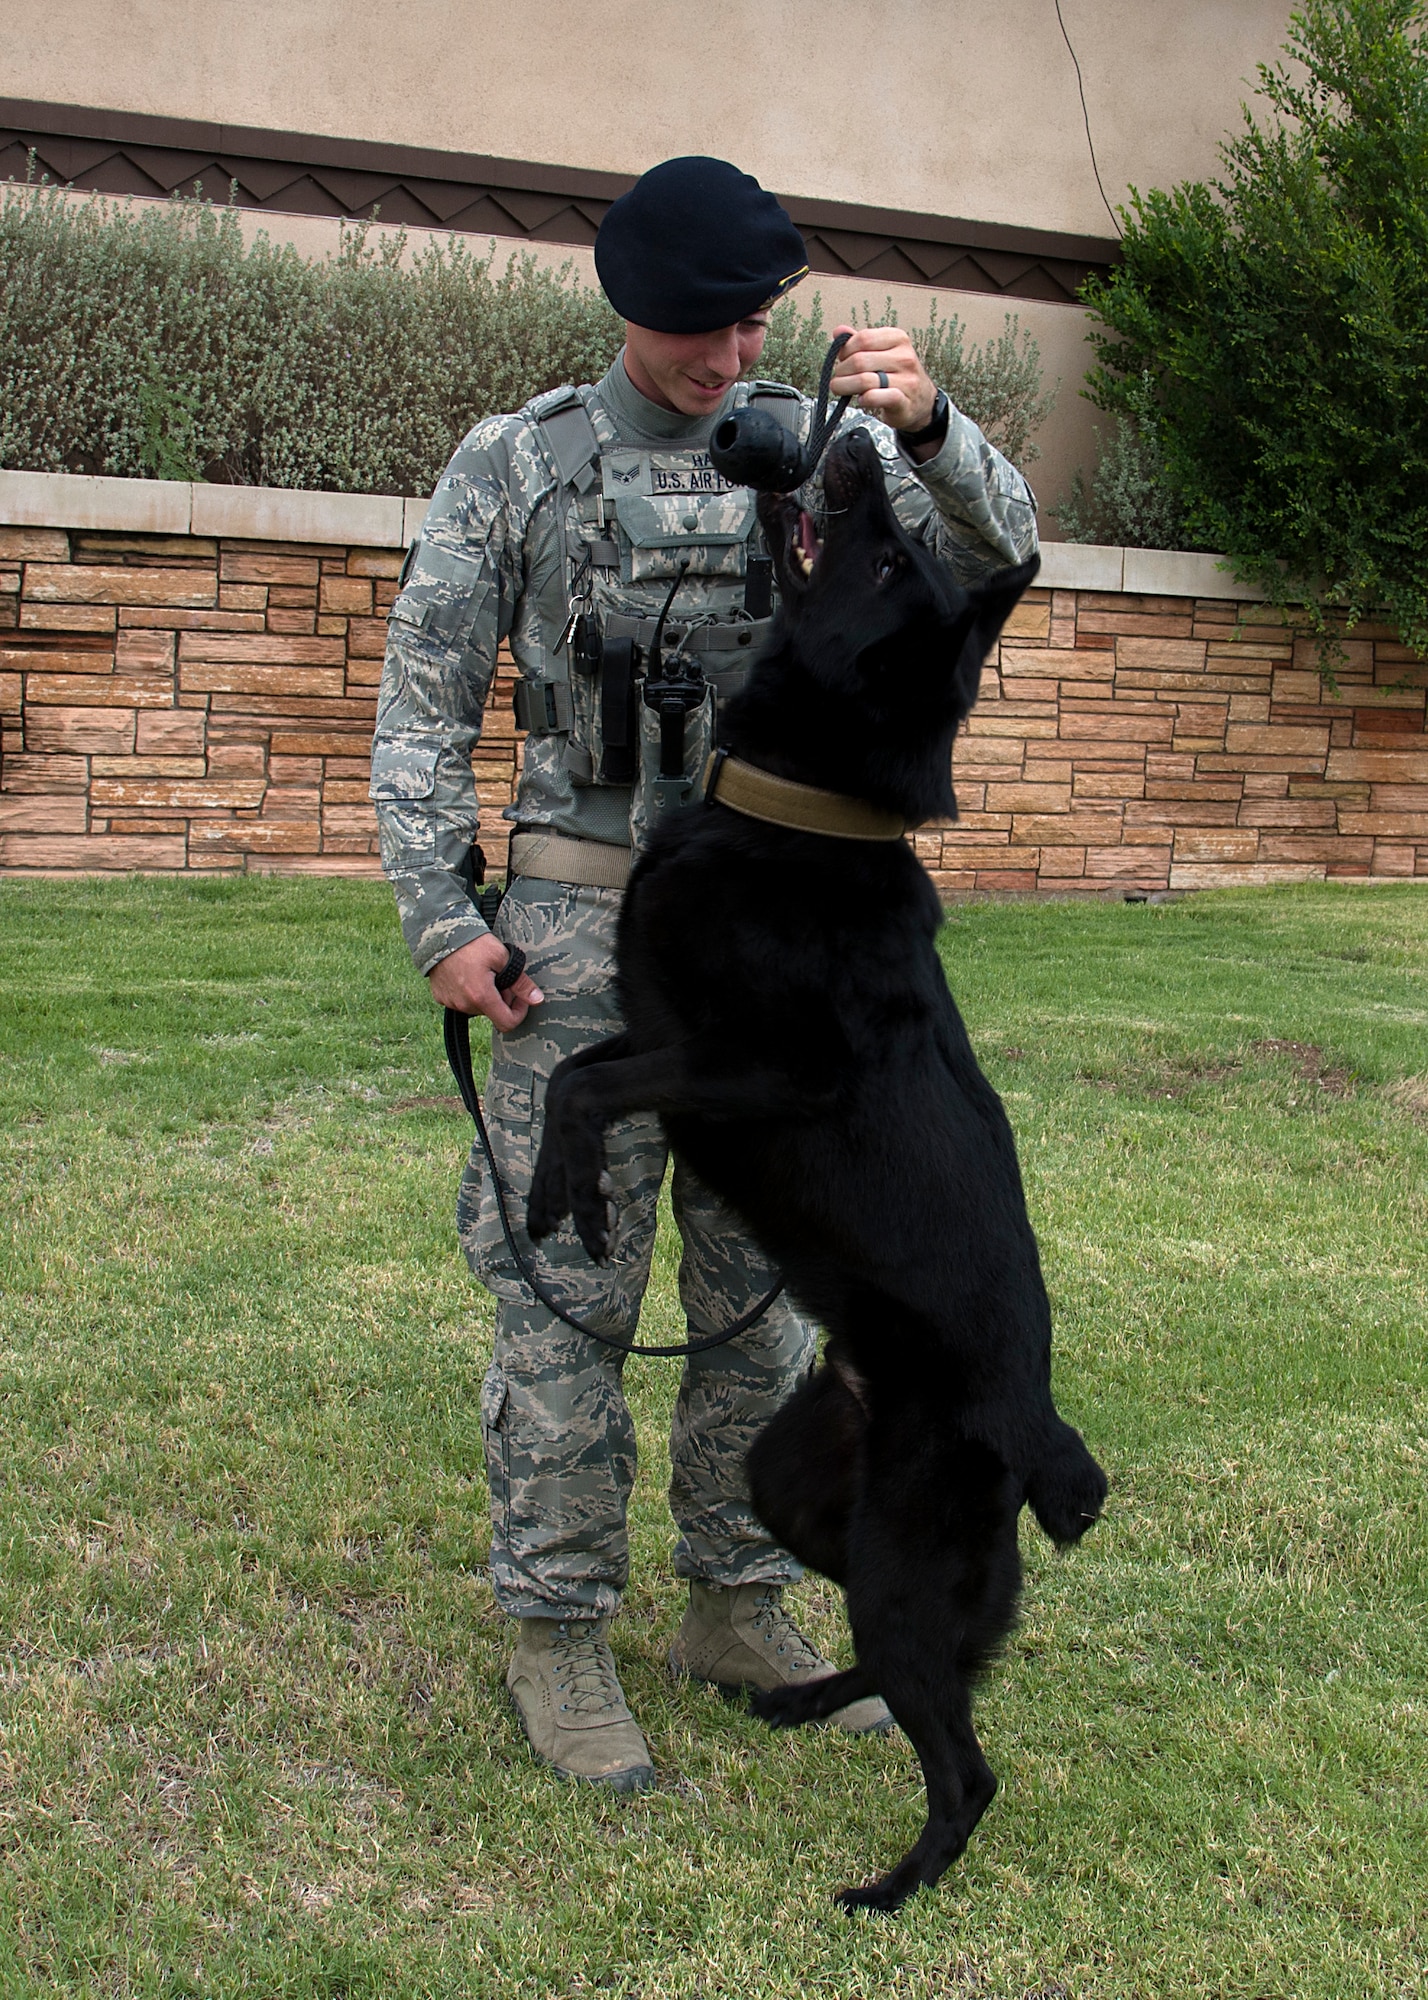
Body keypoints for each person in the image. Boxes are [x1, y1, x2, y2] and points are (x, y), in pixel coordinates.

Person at [371, 156, 1038, 1793]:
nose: (732, 362)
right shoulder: (517, 463)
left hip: (786, 932)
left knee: (763, 1303)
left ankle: (736, 1600)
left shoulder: (834, 452)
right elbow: (417, 706)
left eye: (754, 329)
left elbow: (1005, 552)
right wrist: (443, 921)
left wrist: (940, 428)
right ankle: (557, 1631)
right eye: (699, 333)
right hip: (580, 922)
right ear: (625, 304)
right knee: (566, 1300)